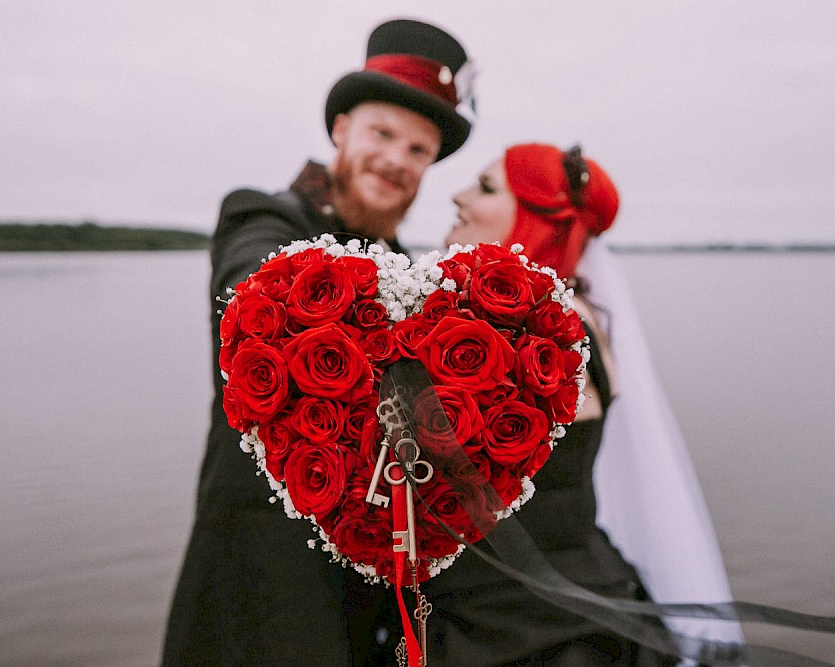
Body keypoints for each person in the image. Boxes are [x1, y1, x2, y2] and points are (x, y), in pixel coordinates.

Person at [161, 19, 474, 666]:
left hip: (366, 600)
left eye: (419, 150)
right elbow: (255, 298)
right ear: (340, 131)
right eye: (383, 134)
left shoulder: (408, 265)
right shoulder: (262, 215)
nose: (397, 160)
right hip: (260, 582)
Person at [424, 142, 742, 665]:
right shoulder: (573, 313)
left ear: (537, 218)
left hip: (529, 626)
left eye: (484, 188)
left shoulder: (545, 330)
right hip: (558, 592)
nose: (458, 197)